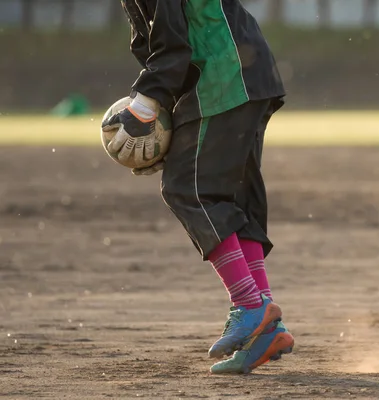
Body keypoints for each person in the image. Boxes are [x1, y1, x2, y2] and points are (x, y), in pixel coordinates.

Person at [101, 0, 294, 374]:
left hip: (224, 77)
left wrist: (145, 106)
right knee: (234, 197)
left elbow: (172, 43)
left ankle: (249, 306)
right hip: (248, 73)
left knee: (186, 190)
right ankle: (267, 326)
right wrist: (162, 122)